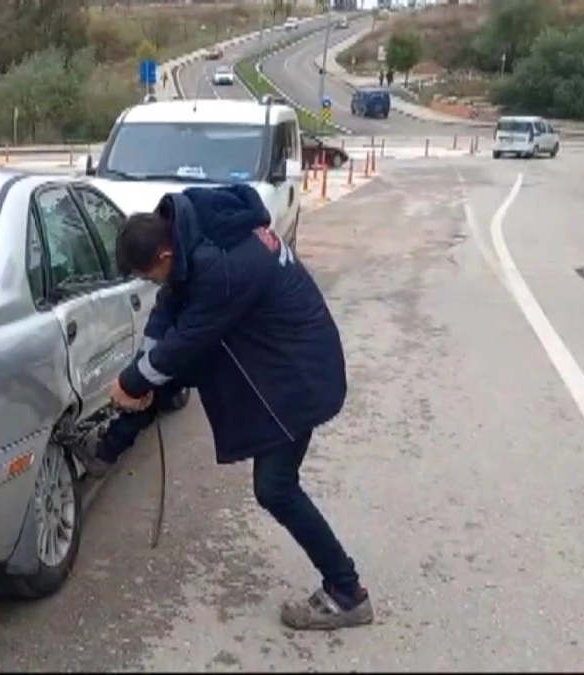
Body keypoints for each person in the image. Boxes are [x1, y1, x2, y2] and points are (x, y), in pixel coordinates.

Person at [86, 183, 372, 631]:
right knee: (162, 370)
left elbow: (188, 340)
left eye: (149, 275)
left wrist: (133, 380)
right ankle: (105, 452)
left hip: (296, 374)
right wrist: (142, 368)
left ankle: (346, 591)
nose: (153, 284)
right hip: (280, 352)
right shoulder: (196, 232)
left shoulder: (221, 270)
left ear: (163, 256)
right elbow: (169, 311)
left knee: (274, 488)